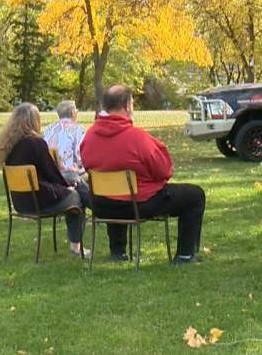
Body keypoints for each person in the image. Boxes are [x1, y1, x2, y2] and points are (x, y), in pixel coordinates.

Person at [81, 85, 207, 264]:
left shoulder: (89, 136)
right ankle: (185, 255)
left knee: (114, 191)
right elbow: (163, 170)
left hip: (102, 204)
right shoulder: (137, 137)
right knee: (194, 195)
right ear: (127, 105)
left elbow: (87, 165)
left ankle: (118, 252)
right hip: (138, 205)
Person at [0, 103, 91, 257]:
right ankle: (77, 246)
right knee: (77, 196)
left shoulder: (10, 147)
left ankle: (98, 205)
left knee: (73, 177)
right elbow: (52, 174)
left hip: (21, 202)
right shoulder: (36, 143)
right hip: (40, 201)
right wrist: (67, 189)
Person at [43, 100, 86, 185]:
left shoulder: (48, 129)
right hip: (69, 173)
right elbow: (80, 157)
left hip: (50, 172)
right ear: (72, 113)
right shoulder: (77, 129)